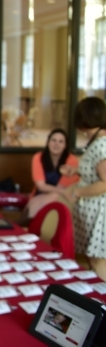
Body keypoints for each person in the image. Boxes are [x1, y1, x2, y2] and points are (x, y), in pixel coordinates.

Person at [64, 96, 106, 281]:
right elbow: (94, 170)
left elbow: (105, 182)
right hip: (91, 211)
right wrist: (76, 169)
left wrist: (77, 192)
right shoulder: (98, 141)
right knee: (93, 261)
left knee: (98, 262)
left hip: (99, 214)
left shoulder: (101, 144)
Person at [20, 129, 79, 222]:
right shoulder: (38, 157)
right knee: (49, 196)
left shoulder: (71, 160)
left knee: (54, 195)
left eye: (61, 141)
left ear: (65, 145)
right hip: (41, 194)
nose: (56, 144)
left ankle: (30, 222)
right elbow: (41, 186)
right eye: (53, 140)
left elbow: (62, 188)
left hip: (63, 197)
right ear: (48, 142)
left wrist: (61, 192)